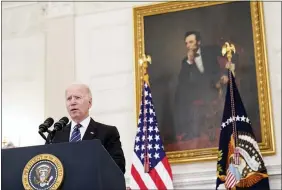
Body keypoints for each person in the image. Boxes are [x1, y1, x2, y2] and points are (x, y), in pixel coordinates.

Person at [51, 83, 126, 174]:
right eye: (69, 98)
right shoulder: (56, 135)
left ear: (89, 103)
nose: (72, 102)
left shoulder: (107, 132)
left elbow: (118, 167)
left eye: (77, 97)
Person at [174, 31, 229, 141]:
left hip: (215, 86)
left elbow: (229, 57)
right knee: (179, 93)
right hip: (198, 91)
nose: (188, 45)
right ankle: (190, 131)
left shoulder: (210, 51)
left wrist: (225, 74)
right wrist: (189, 62)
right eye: (186, 43)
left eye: (191, 42)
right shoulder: (185, 61)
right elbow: (182, 80)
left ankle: (221, 127)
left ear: (198, 42)